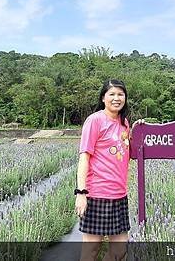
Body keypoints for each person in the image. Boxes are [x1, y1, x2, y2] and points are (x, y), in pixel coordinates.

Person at [75, 79, 131, 261]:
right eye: (112, 94)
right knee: (91, 250)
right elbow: (84, 157)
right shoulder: (95, 120)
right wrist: (81, 193)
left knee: (119, 250)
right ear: (103, 98)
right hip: (97, 194)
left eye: (120, 94)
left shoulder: (125, 123)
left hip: (119, 195)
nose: (117, 98)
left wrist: (141, 129)